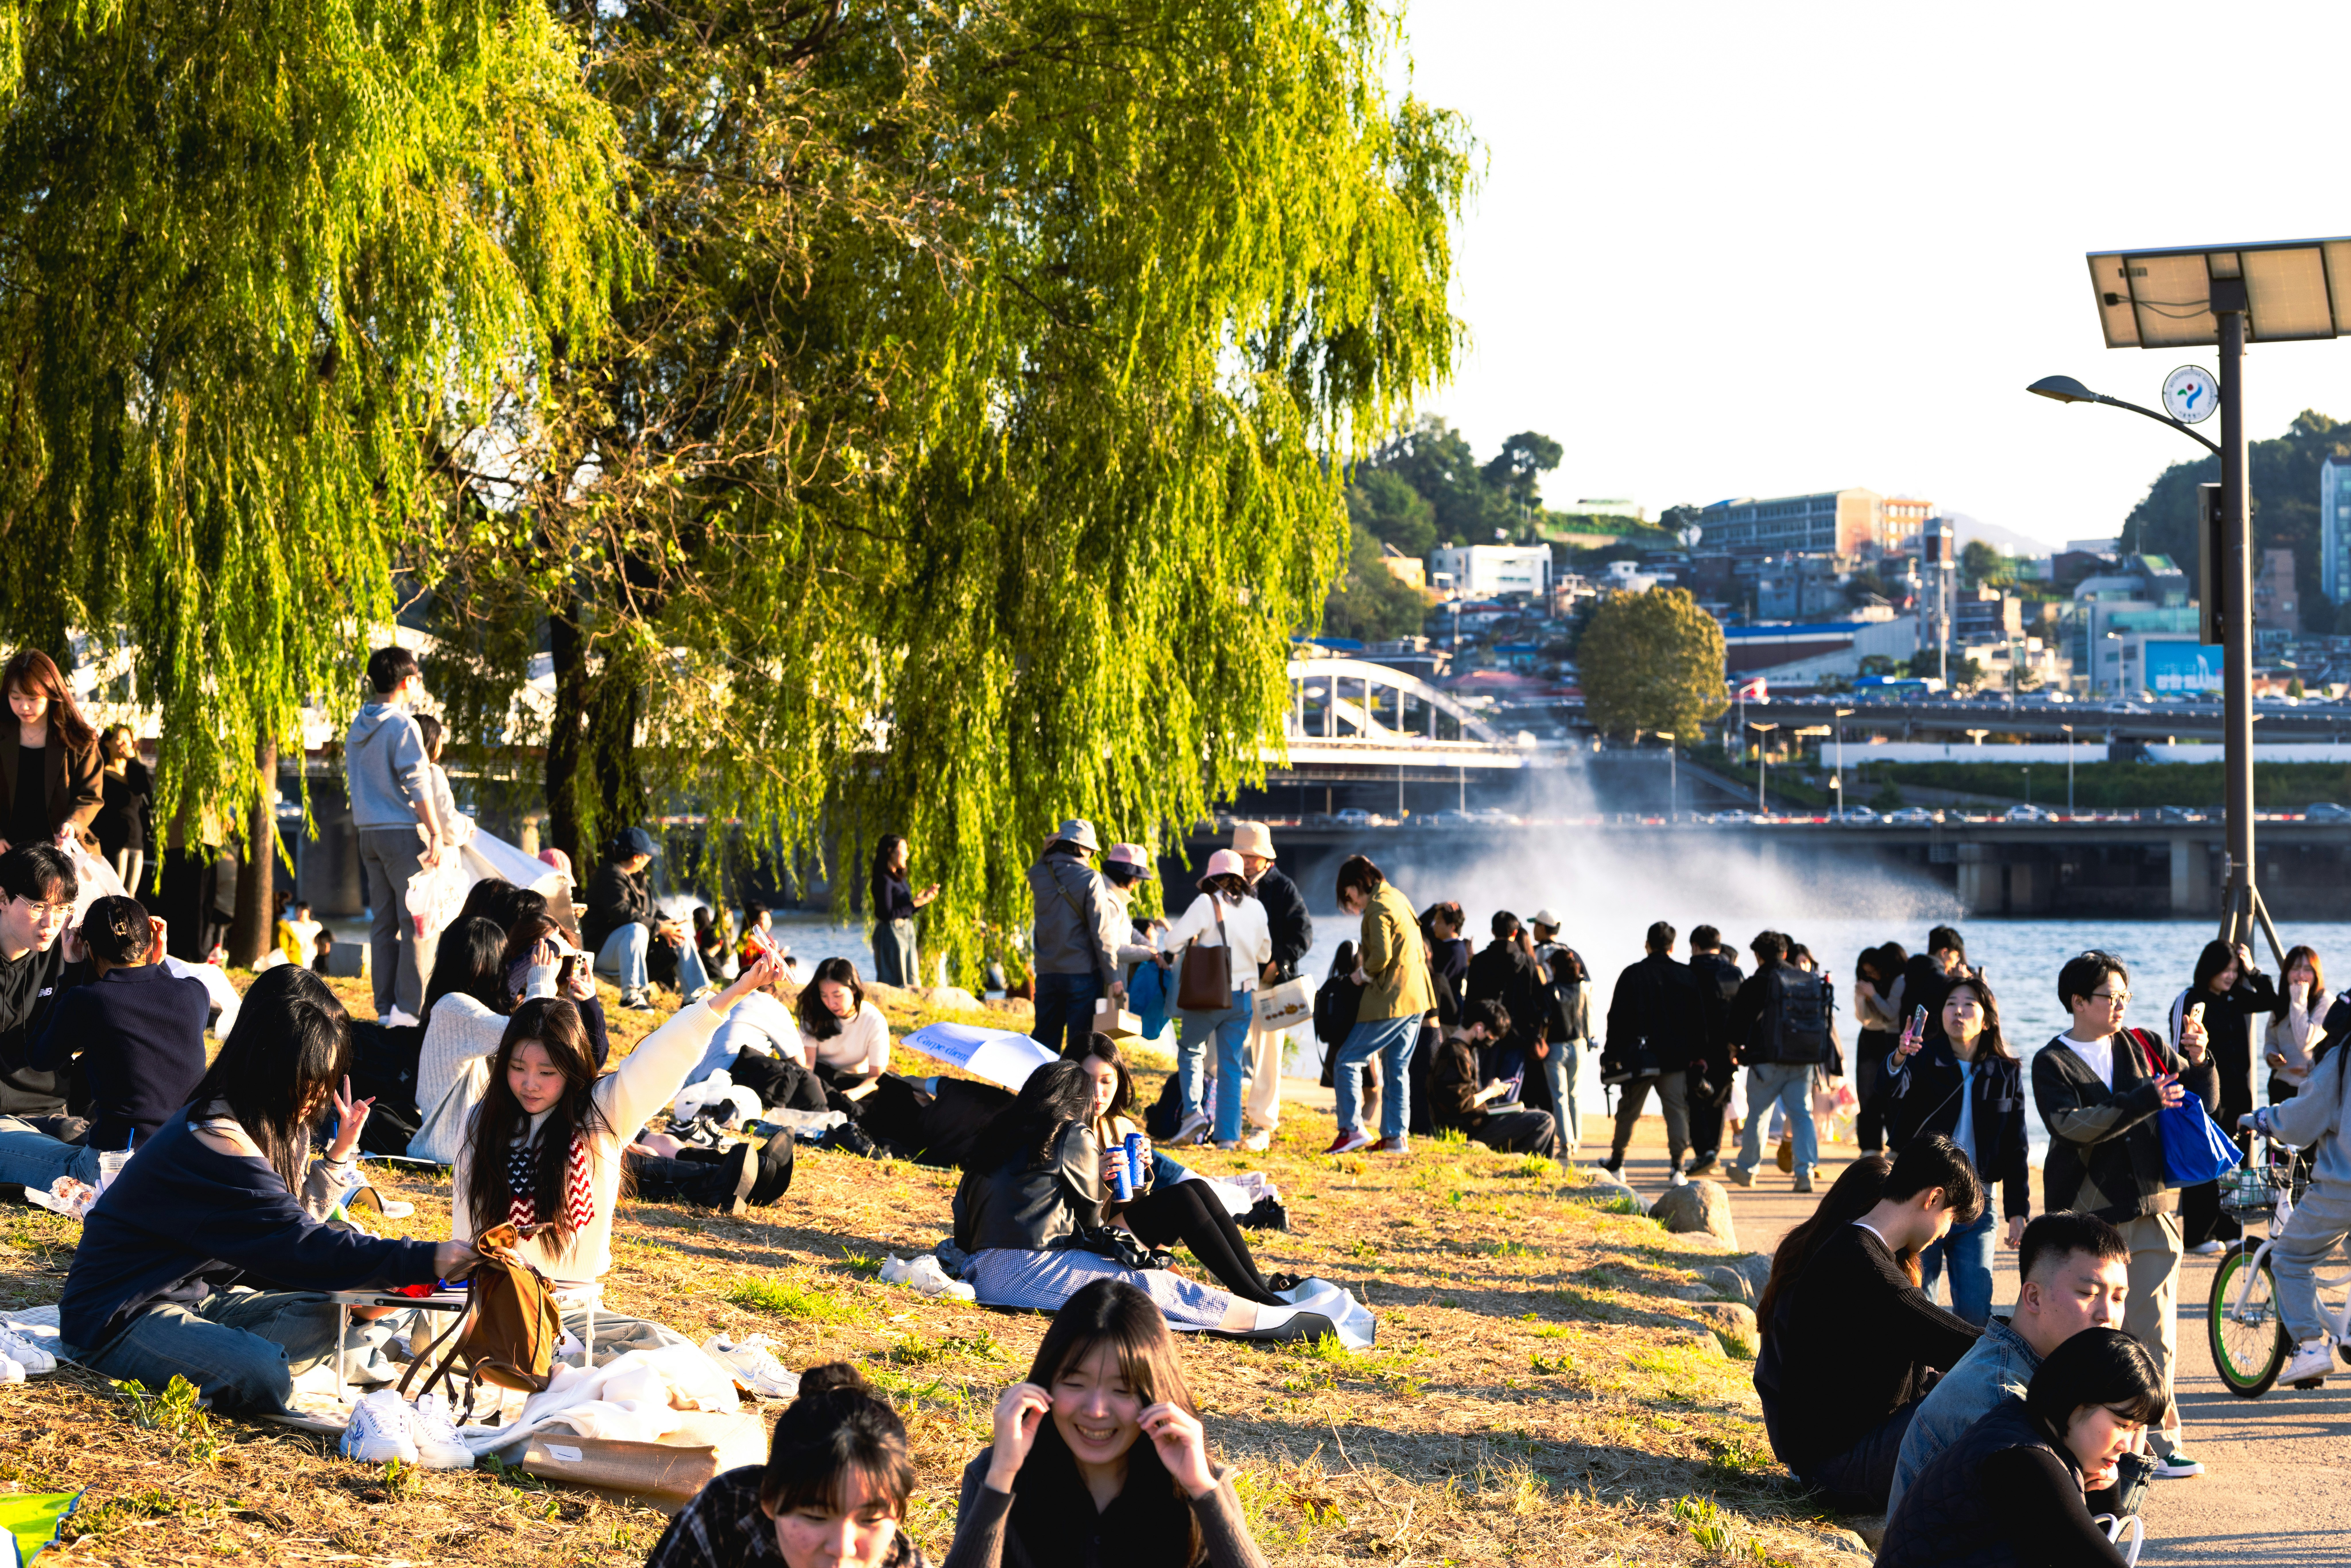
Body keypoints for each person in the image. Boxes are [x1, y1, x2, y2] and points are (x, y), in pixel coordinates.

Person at [55, 965, 474, 1414]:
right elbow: (300, 1244)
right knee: (263, 1372)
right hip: (119, 1316)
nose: (316, 1097)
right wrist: (425, 1258)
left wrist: (364, 1293)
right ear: (270, 1064)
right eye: (309, 1081)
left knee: (350, 1312)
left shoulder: (268, 1121)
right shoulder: (217, 1139)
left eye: (326, 1081)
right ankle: (305, 1357)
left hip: (201, 1299)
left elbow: (292, 1229)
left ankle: (333, 1346)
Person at [452, 956, 793, 1333]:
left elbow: (661, 1056)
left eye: (547, 1072)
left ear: (571, 1067)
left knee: (661, 1356)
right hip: (495, 1297)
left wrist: (736, 992)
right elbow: (468, 1227)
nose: (530, 1083)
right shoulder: (485, 1120)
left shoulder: (600, 1113)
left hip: (574, 1306)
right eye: (518, 1068)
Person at [954, 1061, 1320, 1337]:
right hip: (1031, 1269)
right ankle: (1269, 1317)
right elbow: (1092, 1224)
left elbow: (963, 1225)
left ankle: (1260, 1296)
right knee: (1154, 1286)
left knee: (1178, 1218)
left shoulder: (992, 1137)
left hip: (983, 1268)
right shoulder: (1070, 1131)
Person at [2033, 948, 2214, 1480]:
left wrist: (2201, 1059)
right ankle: (2069, 1434)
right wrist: (2141, 1100)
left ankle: (2156, 1441)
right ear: (2077, 1001)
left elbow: (2199, 1100)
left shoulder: (2144, 1044)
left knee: (2154, 1334)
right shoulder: (2053, 1061)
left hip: (2151, 1205)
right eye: (2109, 996)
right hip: (2088, 1218)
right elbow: (2071, 1126)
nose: (2119, 1004)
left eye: (2124, 996)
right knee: (2084, 1333)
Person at [948, 1278, 1272, 1568]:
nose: (1097, 1410)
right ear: (1046, 1385)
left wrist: (1202, 1490)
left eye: (1123, 1389)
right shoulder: (993, 1473)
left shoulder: (1199, 1480)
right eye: (1075, 1384)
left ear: (1154, 1395)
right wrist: (1001, 1478)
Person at [1752, 1134, 1984, 1511]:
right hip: (1835, 1467)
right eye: (1951, 1219)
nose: (1945, 1232)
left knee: (1972, 1392)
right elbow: (1957, 1344)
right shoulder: (1862, 1266)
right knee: (1980, 1397)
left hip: (1827, 1454)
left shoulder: (1847, 1252)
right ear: (1934, 1199)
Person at [1887, 1212, 2136, 1521]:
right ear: (2033, 1296)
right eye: (2088, 1294)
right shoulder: (2001, 1399)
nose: (2106, 1315)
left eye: (2118, 1297)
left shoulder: (2057, 1373)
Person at [1877, 1328, 2166, 1568]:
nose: (2127, 1445)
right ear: (2076, 1397)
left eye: (2137, 1429)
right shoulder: (2026, 1461)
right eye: (2121, 1423)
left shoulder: (2025, 1427)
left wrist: (2106, 1489)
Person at [0, 894, 203, 1193]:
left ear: (88, 948)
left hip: (111, 1172)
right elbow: (159, 999)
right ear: (151, 942)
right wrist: (157, 962)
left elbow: (40, 1057)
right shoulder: (195, 994)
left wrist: (70, 972)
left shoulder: (89, 1000)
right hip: (183, 1160)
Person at [1071, 1035, 1293, 1303]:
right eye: (1087, 1080)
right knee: (1182, 1199)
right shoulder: (1064, 1133)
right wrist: (1096, 1177)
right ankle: (1259, 1299)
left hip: (1118, 1231)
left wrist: (1142, 1172)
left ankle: (1260, 1290)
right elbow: (1064, 1212)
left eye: (1107, 1081)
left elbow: (1131, 1206)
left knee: (1197, 1187)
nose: (1098, 1092)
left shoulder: (1120, 1127)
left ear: (1119, 1082)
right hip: (1086, 1242)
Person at [647, 1361, 927, 1568]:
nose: (841, 1549)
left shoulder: (903, 1563)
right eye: (816, 1516)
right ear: (769, 1498)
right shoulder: (731, 1511)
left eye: (870, 1520)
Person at [1883, 975, 2030, 1327]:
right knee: (1919, 1301)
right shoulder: (1923, 1057)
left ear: (1987, 1017)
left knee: (1975, 1310)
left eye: (1968, 1005)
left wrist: (2017, 1211)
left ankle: (1967, 1381)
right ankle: (1921, 1380)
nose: (1958, 1011)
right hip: (1924, 1200)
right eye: (1951, 1004)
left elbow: (2016, 1144)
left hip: (1979, 1203)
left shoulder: (2005, 1071)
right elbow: (1889, 1090)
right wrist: (1900, 1054)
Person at [2241, 1012, 2351, 1386]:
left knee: (2288, 1258)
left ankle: (2309, 1349)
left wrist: (2262, 1120)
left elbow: (2303, 1121)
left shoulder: (2342, 1055)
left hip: (2344, 1187)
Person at [343, 645, 449, 1026]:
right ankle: (409, 1013)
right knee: (418, 924)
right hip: (401, 835)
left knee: (384, 924)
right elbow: (418, 781)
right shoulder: (402, 726)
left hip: (368, 835)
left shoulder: (359, 724)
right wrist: (436, 832)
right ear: (408, 681)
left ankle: (386, 1008)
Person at [409, 916, 549, 1162]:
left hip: (459, 1147)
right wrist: (540, 980)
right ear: (483, 963)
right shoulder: (454, 1007)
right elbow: (530, 1034)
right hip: (452, 1151)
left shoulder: (454, 1010)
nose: (504, 969)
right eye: (501, 960)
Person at [2168, 938, 2276, 1254]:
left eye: (2233, 970)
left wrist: (2251, 970)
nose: (2229, 976)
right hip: (2201, 1091)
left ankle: (2231, 1230)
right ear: (2209, 969)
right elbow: (2177, 1050)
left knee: (2234, 1157)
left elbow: (2271, 999)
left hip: (2237, 1092)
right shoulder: (2188, 998)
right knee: (2203, 1158)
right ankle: (2198, 1235)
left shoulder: (2233, 998)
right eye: (2224, 970)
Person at [1161, 850, 1272, 1150]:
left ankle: (1193, 1114)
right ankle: (1228, 1137)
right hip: (1243, 998)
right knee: (1232, 1066)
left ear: (1212, 878)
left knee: (1190, 1051)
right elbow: (1264, 955)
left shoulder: (1206, 903)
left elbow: (1172, 942)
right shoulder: (1257, 908)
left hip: (1209, 994)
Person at [1325, 855, 1430, 1157]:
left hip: (1392, 997)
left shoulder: (1377, 906)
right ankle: (1396, 1138)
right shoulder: (1396, 896)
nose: (1352, 903)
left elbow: (1380, 957)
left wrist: (1361, 976)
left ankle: (1351, 1129)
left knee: (1347, 1059)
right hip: (1418, 996)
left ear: (1356, 885)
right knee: (1397, 1067)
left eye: (1349, 896)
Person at [1598, 921, 1712, 1177]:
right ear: (1672, 947)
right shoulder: (1686, 975)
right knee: (1677, 1112)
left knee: (1628, 1111)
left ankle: (1617, 1162)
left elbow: (1616, 1019)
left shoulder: (1632, 974)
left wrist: (1611, 1055)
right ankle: (1677, 1167)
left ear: (1647, 945)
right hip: (1676, 1058)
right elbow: (1698, 1021)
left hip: (1639, 1058)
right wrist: (1699, 1056)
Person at [1725, 931, 1832, 1193]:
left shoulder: (1755, 983)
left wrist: (1733, 1049)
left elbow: (1737, 1024)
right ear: (1786, 954)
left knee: (1758, 1115)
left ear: (1758, 955)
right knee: (1801, 1114)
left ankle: (1748, 1170)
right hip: (1803, 1062)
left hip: (1765, 1062)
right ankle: (1804, 1172)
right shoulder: (1806, 980)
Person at [1231, 822, 1309, 1153]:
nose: (1247, 862)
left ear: (1266, 858)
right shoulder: (1226, 884)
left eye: (1253, 856)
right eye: (1242, 855)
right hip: (1231, 979)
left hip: (1267, 982)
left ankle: (1261, 1125)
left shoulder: (1282, 887)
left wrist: (1279, 962)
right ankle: (1219, 1119)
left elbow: (1303, 932)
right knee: (1221, 1051)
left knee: (1267, 1056)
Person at [0, 843, 90, 1131]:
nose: (51, 922)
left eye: (63, 909)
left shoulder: (69, 955)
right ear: (3, 898)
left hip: (53, 1113)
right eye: (38, 907)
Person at [583, 825, 709, 1011]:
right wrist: (659, 928)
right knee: (636, 929)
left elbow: (653, 911)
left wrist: (670, 926)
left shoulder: (638, 877)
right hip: (603, 953)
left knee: (680, 932)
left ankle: (695, 996)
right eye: (647, 854)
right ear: (636, 858)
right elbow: (622, 913)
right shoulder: (609, 877)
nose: (650, 858)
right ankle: (632, 996)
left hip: (633, 950)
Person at [1027, 820, 1124, 1057]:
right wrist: (1114, 977)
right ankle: (1073, 1093)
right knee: (1079, 1045)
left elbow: (1039, 868)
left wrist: (1045, 851)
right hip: (1081, 973)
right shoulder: (1090, 878)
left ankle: (1040, 1090)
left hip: (1047, 972)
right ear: (1082, 849)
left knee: (1044, 1040)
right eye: (1091, 851)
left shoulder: (1038, 874)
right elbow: (1101, 933)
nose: (1092, 856)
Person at [0, 650, 103, 858]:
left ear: (51, 693)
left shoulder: (78, 740)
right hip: (7, 850)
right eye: (15, 697)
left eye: (33, 698)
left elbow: (90, 795)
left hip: (60, 853)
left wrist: (73, 824)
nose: (24, 706)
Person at [1430, 1000, 1556, 1156]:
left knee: (1536, 1117)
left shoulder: (1461, 1050)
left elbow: (1461, 1097)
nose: (1493, 1040)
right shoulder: (1456, 1054)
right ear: (1479, 1027)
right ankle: (1525, 1169)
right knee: (1544, 1121)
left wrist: (1490, 1091)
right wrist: (1491, 1091)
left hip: (1475, 1124)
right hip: (1468, 1130)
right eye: (1493, 1036)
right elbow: (1460, 1105)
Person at [1681, 925, 1743, 1175]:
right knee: (1719, 1099)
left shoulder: (1687, 973)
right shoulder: (1735, 973)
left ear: (1695, 946)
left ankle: (1703, 1152)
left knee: (1695, 1100)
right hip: (1727, 1050)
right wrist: (1737, 1046)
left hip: (1695, 1050)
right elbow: (1744, 1014)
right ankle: (1713, 1151)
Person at [1464, 912, 1545, 1086]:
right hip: (1519, 1036)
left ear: (1493, 931)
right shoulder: (1528, 963)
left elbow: (1470, 1001)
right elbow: (1540, 1000)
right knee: (1510, 1090)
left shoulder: (1479, 961)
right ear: (1515, 933)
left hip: (1486, 1035)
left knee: (1486, 1088)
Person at [1851, 942, 1908, 1156]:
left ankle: (1894, 1143)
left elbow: (1891, 1014)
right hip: (1869, 1036)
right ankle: (1870, 1147)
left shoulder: (1897, 981)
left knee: (1891, 1093)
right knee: (1866, 1092)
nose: (1873, 974)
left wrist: (1873, 994)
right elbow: (1863, 1017)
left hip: (1889, 1039)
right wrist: (1861, 996)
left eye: (1876, 970)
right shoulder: (1869, 985)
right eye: (1868, 972)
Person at [1537, 947, 1592, 1154]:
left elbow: (1544, 1018)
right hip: (1579, 1045)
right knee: (1574, 1095)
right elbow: (1587, 1017)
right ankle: (1576, 1140)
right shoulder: (1582, 988)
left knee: (1559, 1097)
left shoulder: (1550, 990)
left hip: (1555, 1048)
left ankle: (1566, 1143)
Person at [869, 836, 939, 989]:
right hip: (891, 935)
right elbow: (886, 914)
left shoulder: (899, 879)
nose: (908, 854)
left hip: (906, 931)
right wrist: (914, 904)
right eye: (904, 850)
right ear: (890, 852)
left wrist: (924, 901)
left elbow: (904, 911)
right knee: (895, 983)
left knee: (912, 979)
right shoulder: (884, 880)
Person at [93, 724, 150, 894]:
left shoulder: (134, 773)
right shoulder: (101, 773)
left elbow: (149, 787)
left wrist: (133, 760)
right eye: (119, 739)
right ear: (108, 743)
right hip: (114, 840)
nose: (124, 744)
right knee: (114, 893)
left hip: (136, 839)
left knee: (130, 894)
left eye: (128, 740)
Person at [2265, 943, 2324, 1102]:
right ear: (2287, 973)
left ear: (2316, 973)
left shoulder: (2326, 1004)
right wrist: (2271, 1056)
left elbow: (2305, 1042)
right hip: (2280, 1085)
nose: (2301, 975)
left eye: (2307, 969)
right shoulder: (2283, 1002)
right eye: (2295, 969)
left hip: (2313, 1087)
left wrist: (2299, 1001)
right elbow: (2271, 1040)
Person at [276, 897, 323, 970]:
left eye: (302, 910)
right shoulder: (292, 925)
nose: (300, 913)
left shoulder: (317, 926)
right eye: (298, 911)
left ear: (309, 911)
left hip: (314, 956)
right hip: (298, 956)